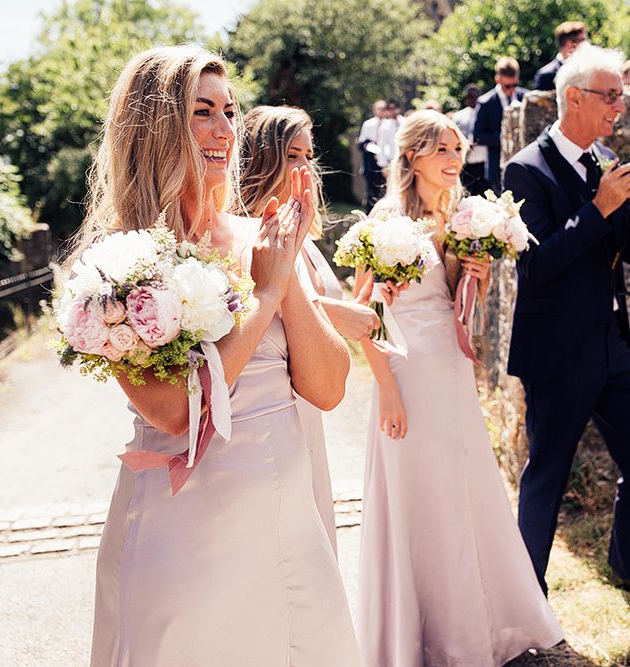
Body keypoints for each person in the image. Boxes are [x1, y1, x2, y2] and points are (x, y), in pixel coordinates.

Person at [80, 45, 361, 665]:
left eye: (229, 112)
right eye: (201, 112)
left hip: (286, 520)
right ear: (155, 127)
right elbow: (176, 414)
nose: (225, 132)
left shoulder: (262, 237)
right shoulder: (115, 261)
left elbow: (329, 387)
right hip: (183, 530)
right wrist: (265, 288)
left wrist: (285, 274)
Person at [357, 110, 563, 666]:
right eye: (443, 150)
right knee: (419, 495)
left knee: (460, 489)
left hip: (448, 367)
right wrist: (389, 392)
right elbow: (365, 313)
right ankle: (416, 632)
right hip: (404, 370)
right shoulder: (388, 217)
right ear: (414, 157)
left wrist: (477, 271)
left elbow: (457, 301)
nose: (456, 160)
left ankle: (471, 622)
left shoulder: (462, 213)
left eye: (458, 149)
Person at [504, 43, 630, 594]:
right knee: (547, 478)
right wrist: (598, 209)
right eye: (610, 96)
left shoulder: (604, 165)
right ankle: (526, 601)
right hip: (557, 352)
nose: (619, 107)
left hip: (614, 345)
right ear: (573, 98)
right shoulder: (524, 169)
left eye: (622, 97)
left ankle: (625, 569)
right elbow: (534, 265)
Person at [241, 104, 381, 554]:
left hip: (310, 406)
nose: (307, 167)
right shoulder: (247, 235)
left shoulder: (300, 229)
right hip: (270, 409)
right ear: (263, 160)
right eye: (293, 155)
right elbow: (263, 297)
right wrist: (340, 316)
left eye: (309, 155)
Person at [474, 56, 526, 192]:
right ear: (498, 79)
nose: (511, 90)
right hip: (498, 168)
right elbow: (477, 136)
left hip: (524, 163)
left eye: (514, 85)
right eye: (507, 86)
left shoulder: (525, 97)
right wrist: (505, 137)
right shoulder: (485, 103)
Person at [452, 83, 489, 195]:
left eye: (473, 96)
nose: (471, 99)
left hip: (484, 162)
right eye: (468, 96)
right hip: (466, 163)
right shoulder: (459, 116)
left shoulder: (486, 114)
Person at [534, 21, 588, 91]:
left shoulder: (589, 70)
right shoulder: (546, 75)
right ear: (570, 44)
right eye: (583, 40)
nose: (587, 45)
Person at [358, 99, 389, 212]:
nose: (382, 111)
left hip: (385, 163)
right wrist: (370, 147)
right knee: (371, 192)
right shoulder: (368, 124)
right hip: (371, 163)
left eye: (384, 109)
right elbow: (361, 144)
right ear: (375, 110)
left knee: (384, 191)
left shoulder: (389, 125)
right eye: (379, 109)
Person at [376, 100, 404, 182]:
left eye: (394, 108)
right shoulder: (384, 126)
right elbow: (381, 145)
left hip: (405, 160)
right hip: (392, 161)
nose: (392, 111)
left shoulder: (405, 122)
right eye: (389, 109)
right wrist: (383, 165)